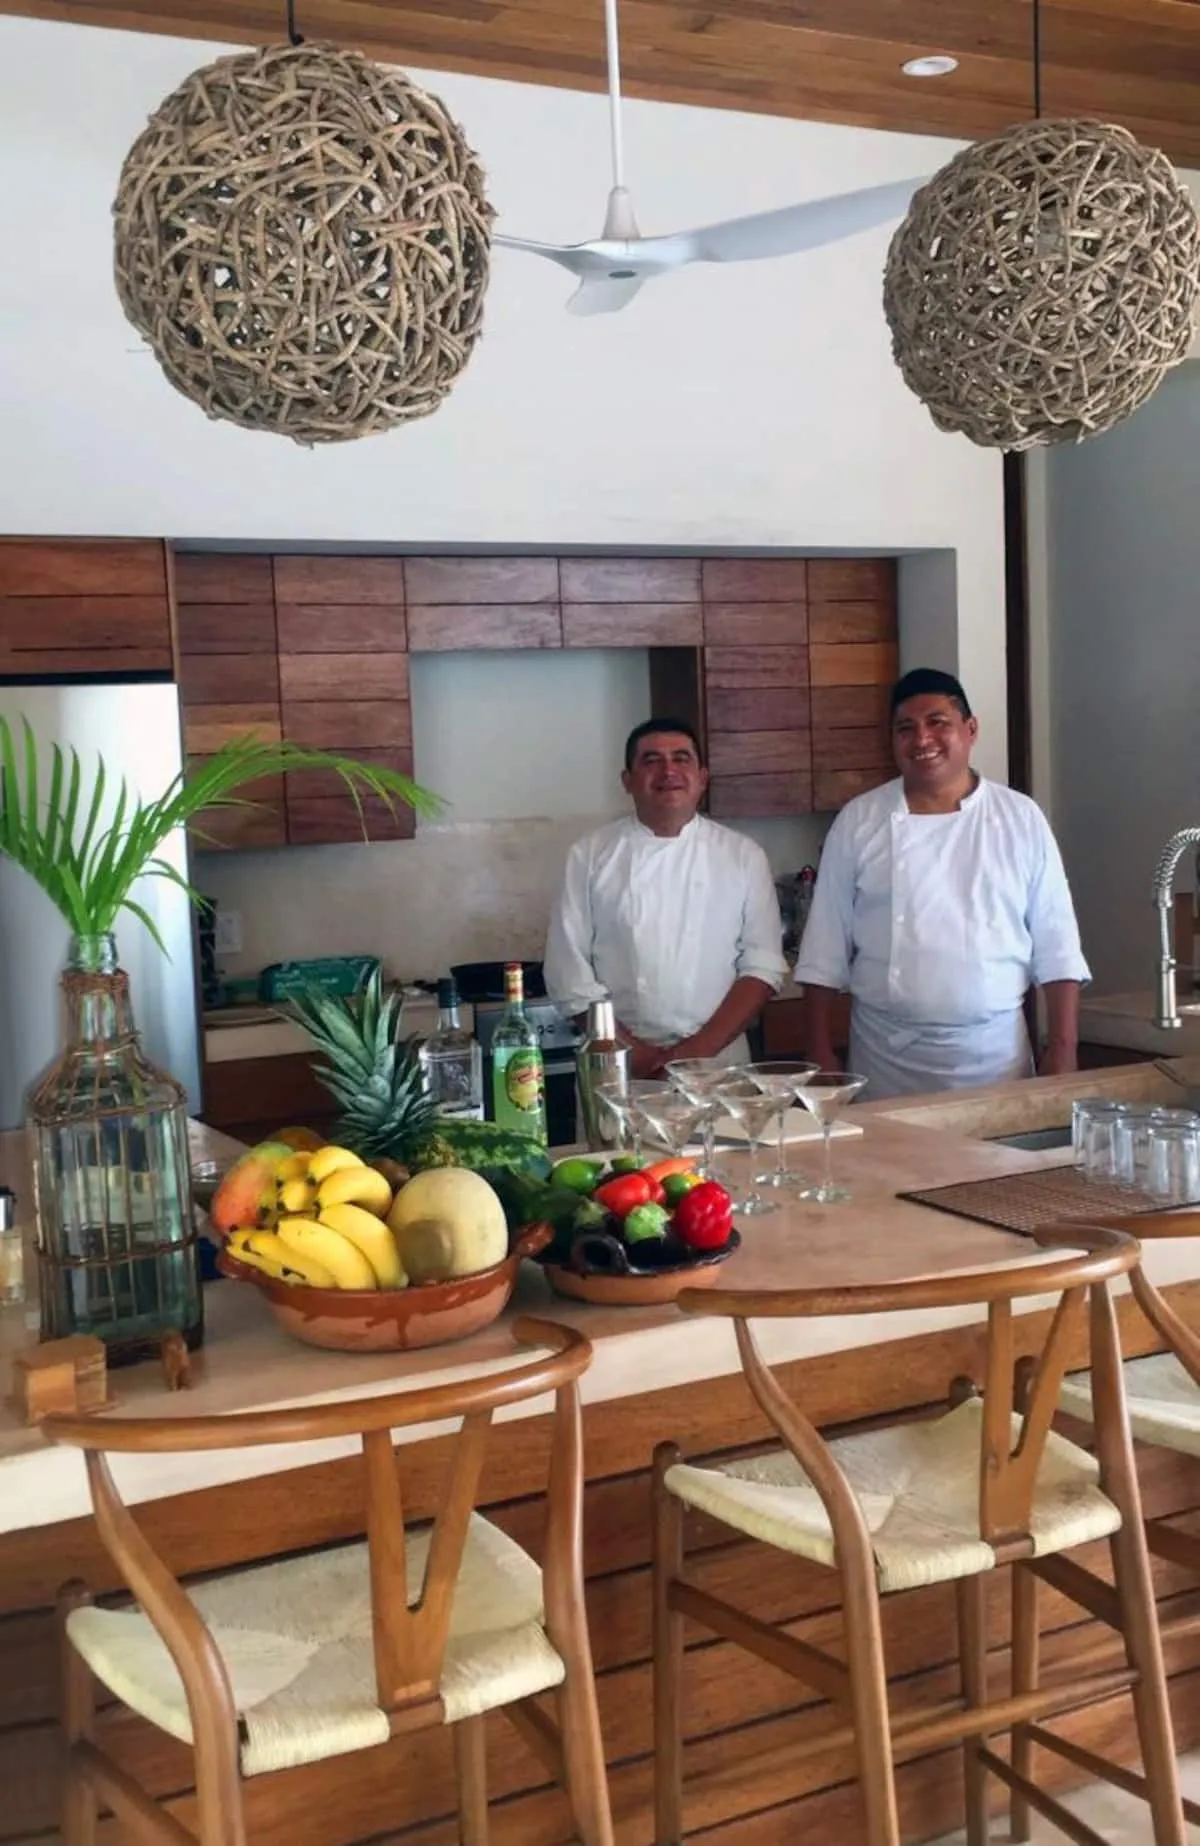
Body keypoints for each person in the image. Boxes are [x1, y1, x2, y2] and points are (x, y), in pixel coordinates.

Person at [794, 667, 1089, 1098]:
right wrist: (818, 1048)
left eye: (937, 723)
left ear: (970, 730)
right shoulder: (859, 821)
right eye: (905, 729)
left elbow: (1057, 943)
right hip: (886, 1059)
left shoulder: (1020, 818)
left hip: (995, 1056)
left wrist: (1063, 1047)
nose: (922, 739)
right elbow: (824, 946)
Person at [544, 717, 787, 1075]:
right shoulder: (590, 855)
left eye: (681, 758)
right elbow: (569, 975)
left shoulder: (743, 855)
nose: (668, 771)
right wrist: (636, 1055)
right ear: (627, 780)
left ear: (702, 778)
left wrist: (693, 1053)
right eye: (651, 760)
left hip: (718, 1060)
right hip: (619, 1060)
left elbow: (762, 966)